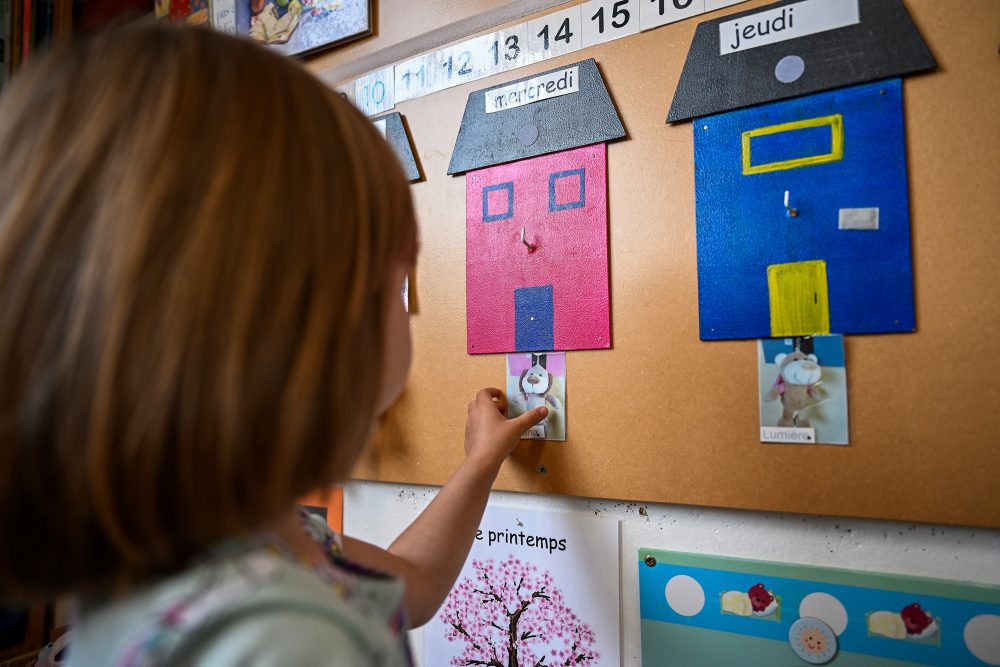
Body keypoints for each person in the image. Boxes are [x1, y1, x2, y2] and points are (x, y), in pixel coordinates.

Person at [0, 21, 548, 666]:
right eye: (394, 281)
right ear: (302, 334)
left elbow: (410, 585)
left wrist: (480, 461)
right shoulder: (287, 642)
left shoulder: (210, 552)